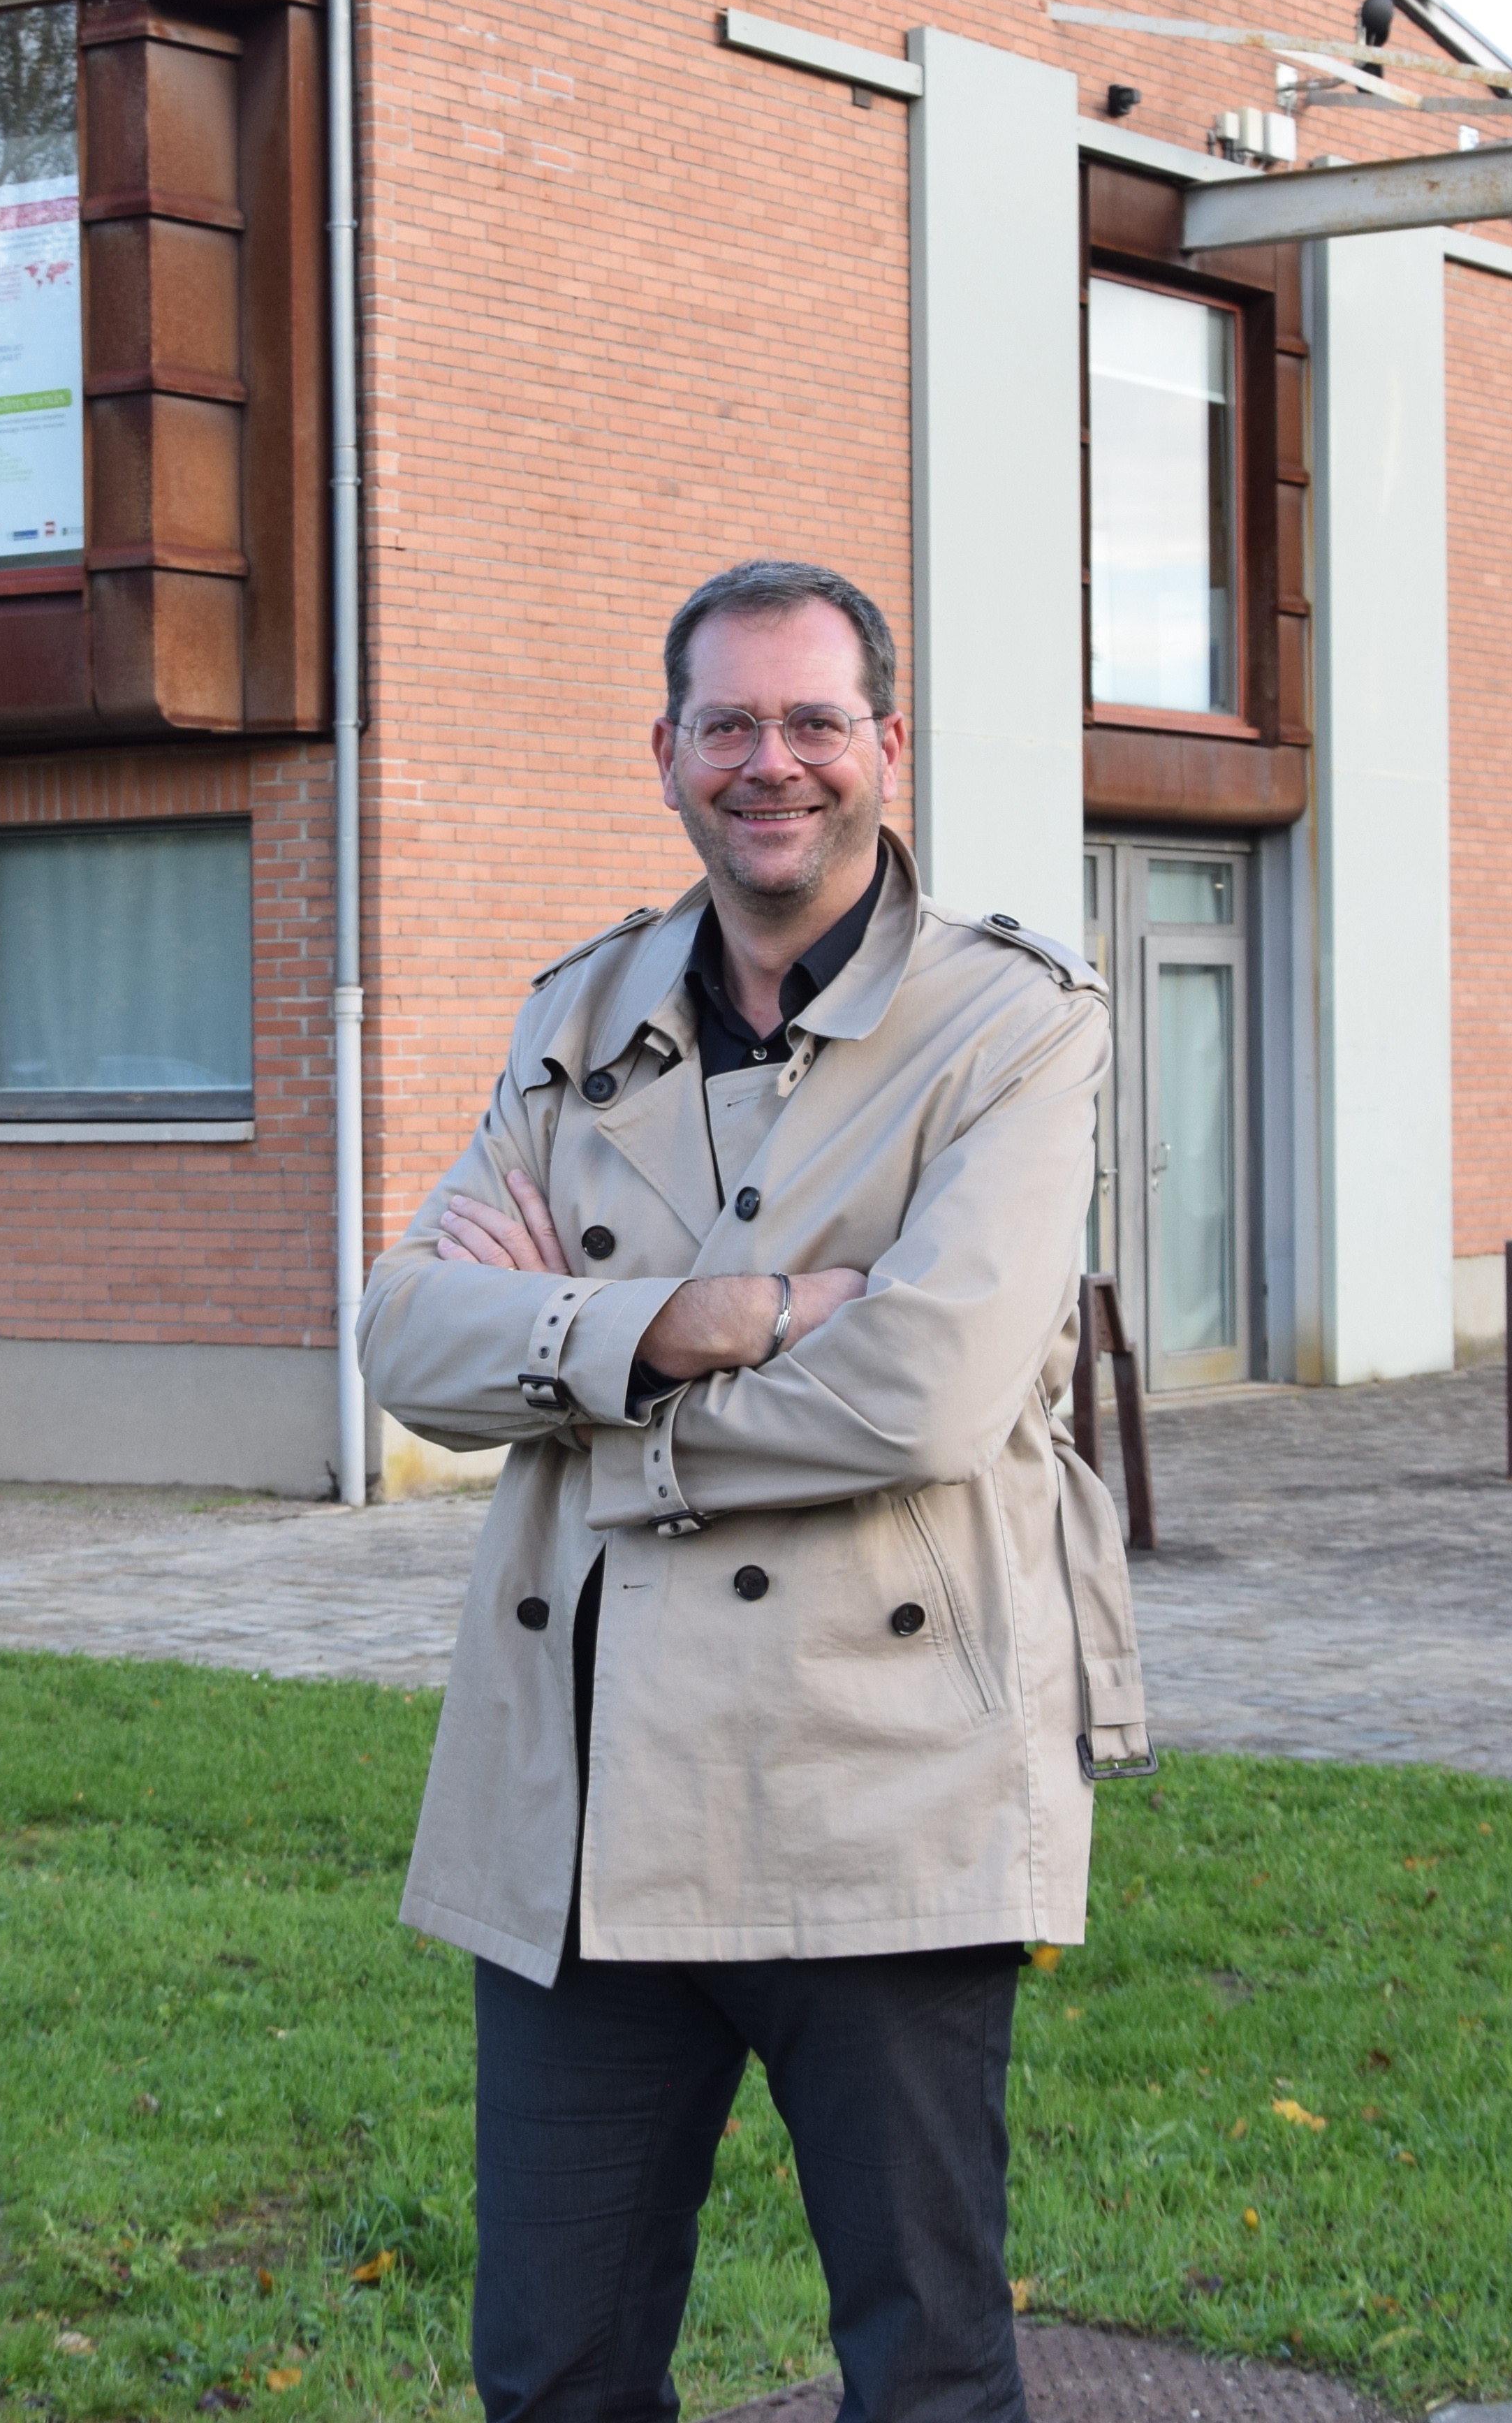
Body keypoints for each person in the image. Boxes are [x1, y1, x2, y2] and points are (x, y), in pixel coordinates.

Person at [361, 557, 1152, 2423]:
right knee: (552, 2367)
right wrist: (711, 1316)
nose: (770, 763)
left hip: (884, 1788)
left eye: (813, 723)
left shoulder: (1011, 1026)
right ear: (667, 753)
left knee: (926, 2364)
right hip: (575, 1799)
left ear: (888, 744)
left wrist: (579, 1378)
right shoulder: (580, 1015)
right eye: (730, 724)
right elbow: (407, 1340)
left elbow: (929, 1389)